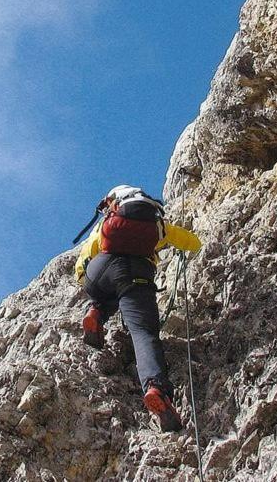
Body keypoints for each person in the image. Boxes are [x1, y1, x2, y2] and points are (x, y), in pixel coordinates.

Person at [74, 185, 201, 432]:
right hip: (136, 275)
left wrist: (90, 285)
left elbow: (83, 261)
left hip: (100, 270)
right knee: (143, 333)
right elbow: (193, 243)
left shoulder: (107, 224)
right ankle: (155, 388)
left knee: (104, 290)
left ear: (114, 203)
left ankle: (96, 312)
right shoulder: (157, 226)